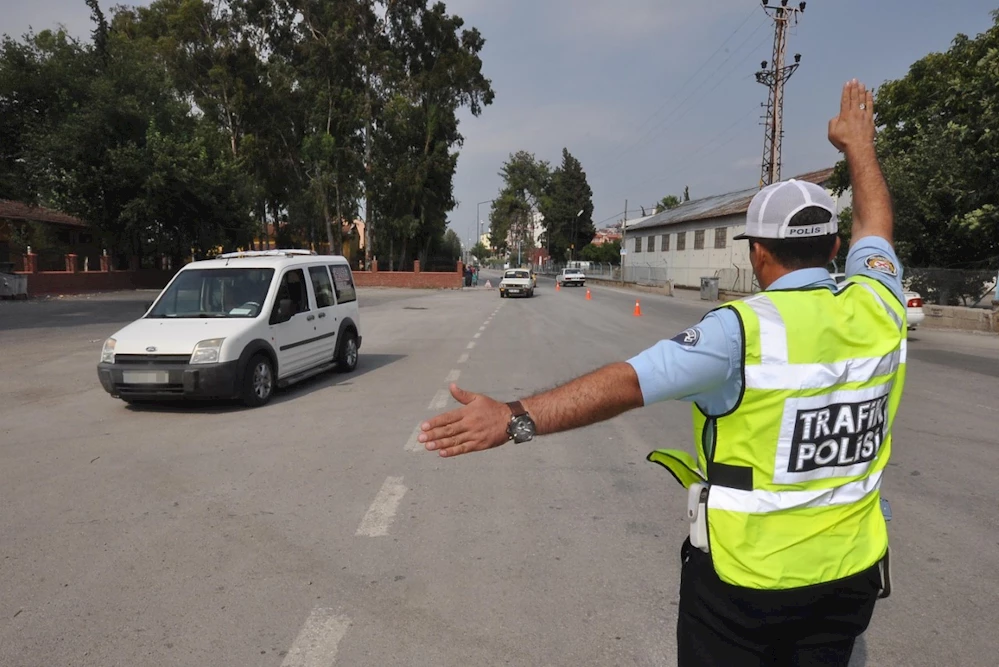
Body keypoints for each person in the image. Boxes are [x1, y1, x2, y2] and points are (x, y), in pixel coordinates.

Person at [418, 80, 906, 667]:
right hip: (849, 579)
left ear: (757, 253)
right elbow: (875, 225)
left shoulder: (741, 331)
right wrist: (861, 146)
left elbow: (627, 382)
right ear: (833, 249)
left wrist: (513, 419)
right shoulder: (881, 305)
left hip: (745, 585)